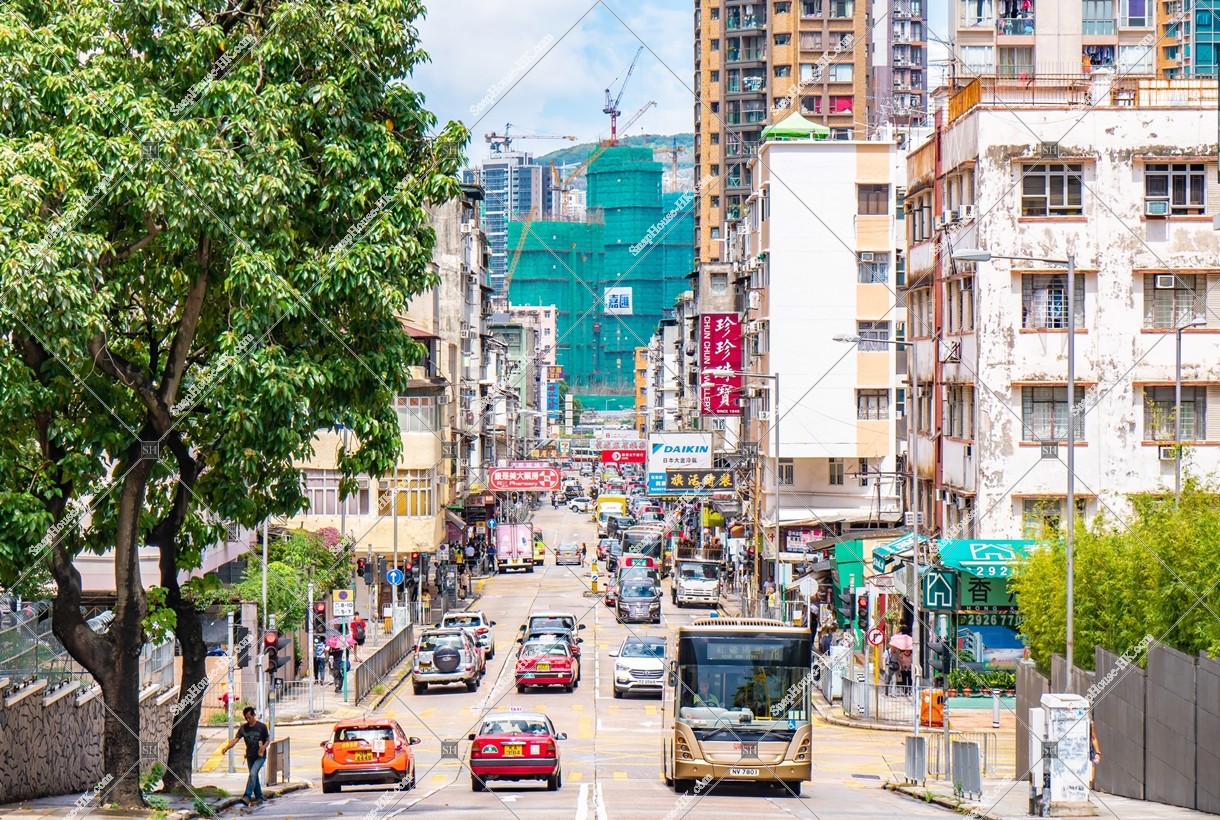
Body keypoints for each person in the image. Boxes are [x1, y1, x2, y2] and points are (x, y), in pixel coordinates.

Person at [220, 707, 270, 805]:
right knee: (254, 775)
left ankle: (247, 796)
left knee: (253, 773)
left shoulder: (262, 727)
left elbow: (268, 740)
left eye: (249, 717)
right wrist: (227, 747)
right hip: (250, 756)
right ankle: (259, 797)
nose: (248, 720)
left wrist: (263, 747)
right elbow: (236, 739)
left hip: (260, 756)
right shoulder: (243, 728)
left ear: (254, 715)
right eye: (246, 718)